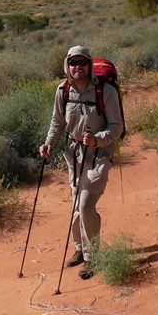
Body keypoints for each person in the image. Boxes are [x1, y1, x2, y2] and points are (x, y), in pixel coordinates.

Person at [39, 45, 123, 280]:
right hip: (74, 155)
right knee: (77, 203)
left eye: (82, 62)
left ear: (89, 65)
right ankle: (80, 249)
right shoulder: (63, 91)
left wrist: (97, 140)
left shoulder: (105, 91)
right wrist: (49, 144)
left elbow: (117, 127)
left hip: (99, 155)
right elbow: (57, 122)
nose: (78, 67)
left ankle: (94, 257)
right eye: (73, 63)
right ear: (67, 65)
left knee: (86, 205)